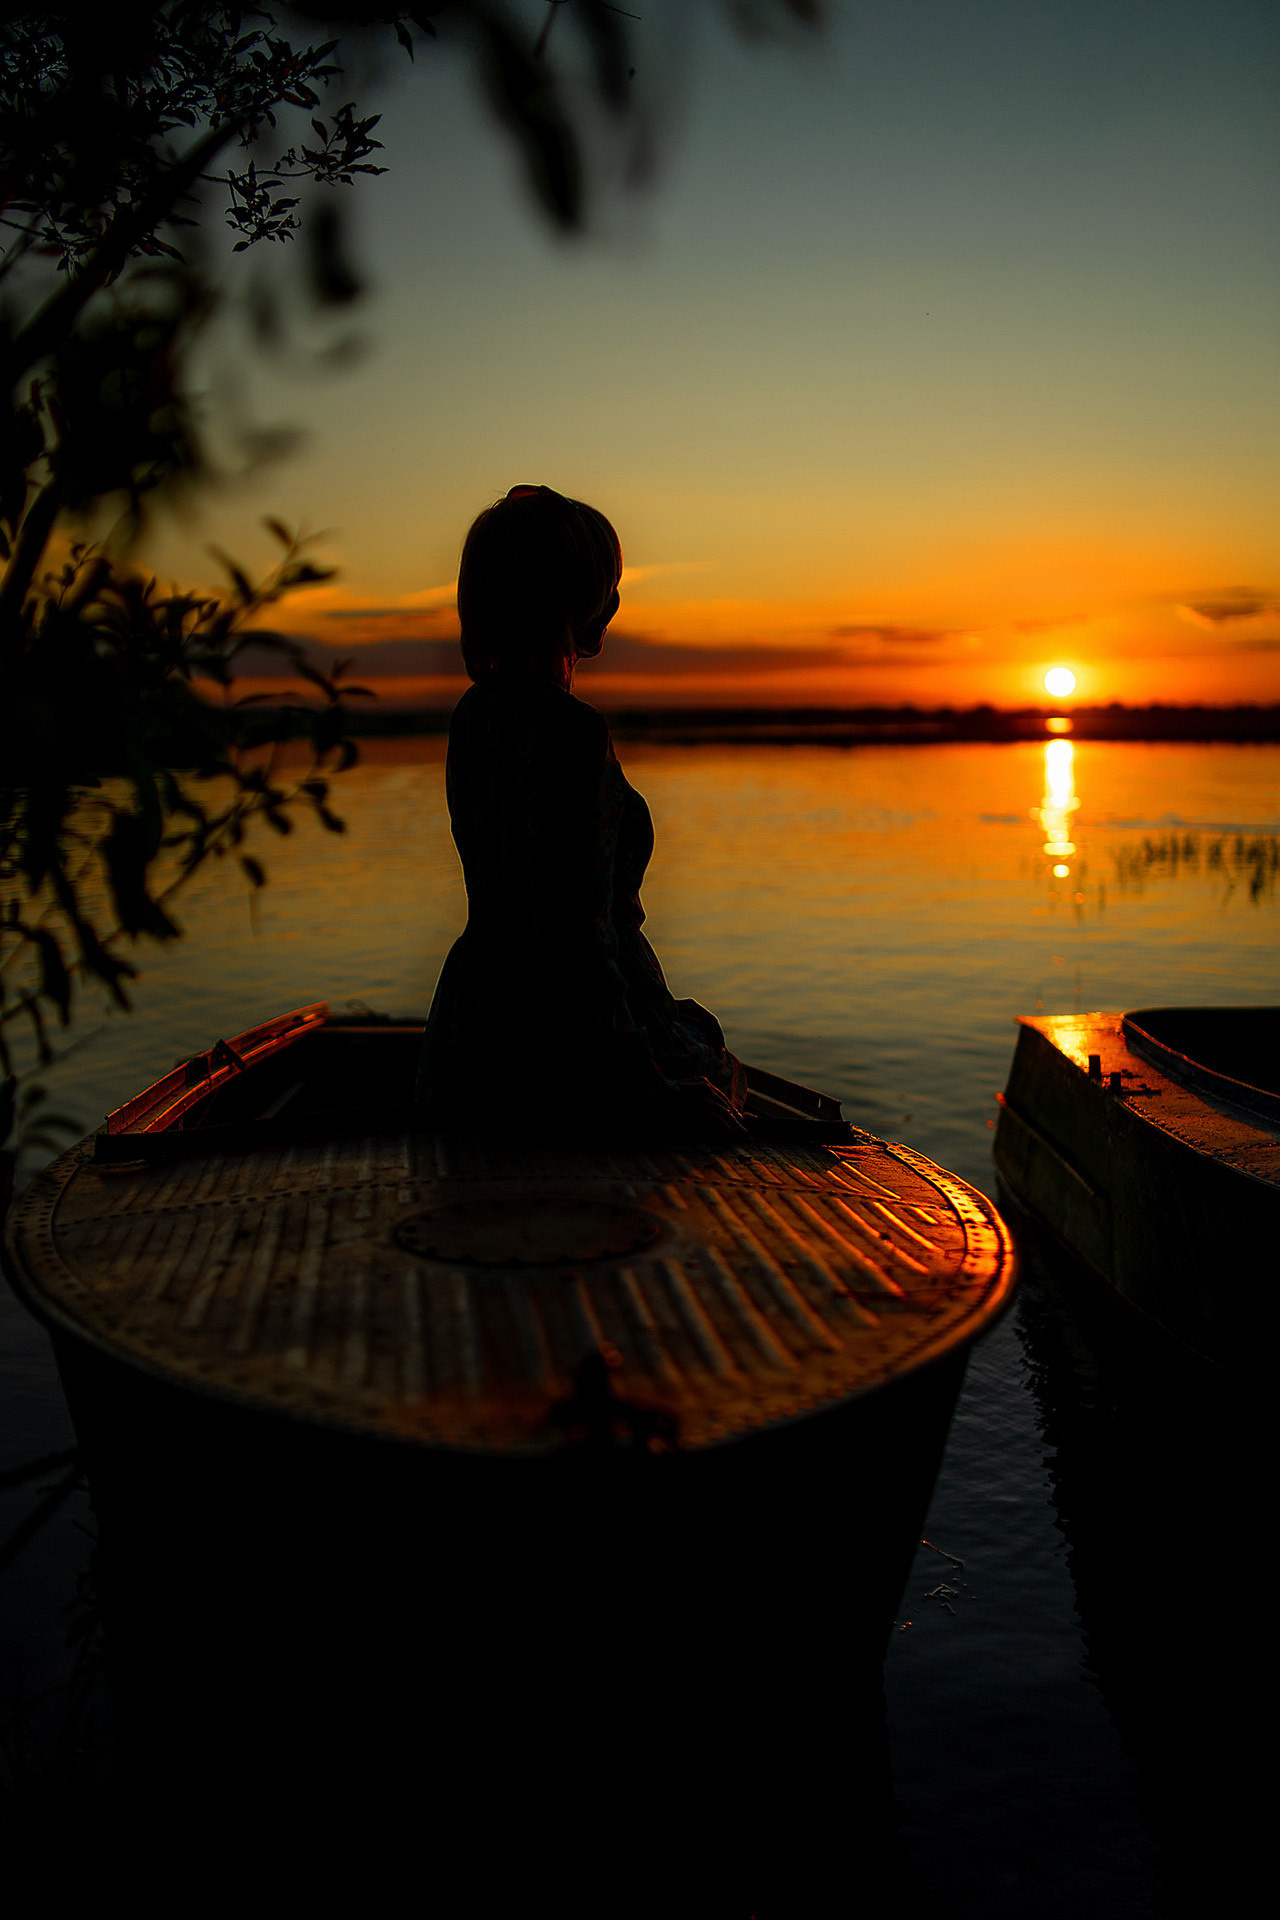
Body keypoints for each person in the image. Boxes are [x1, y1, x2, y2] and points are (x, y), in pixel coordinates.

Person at [417, 484, 746, 1137]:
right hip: (560, 1036)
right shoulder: (568, 733)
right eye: (603, 587)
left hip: (475, 1017)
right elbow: (574, 938)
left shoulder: (472, 718)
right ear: (561, 601)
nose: (615, 605)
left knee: (696, 1028)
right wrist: (647, 1092)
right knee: (718, 1067)